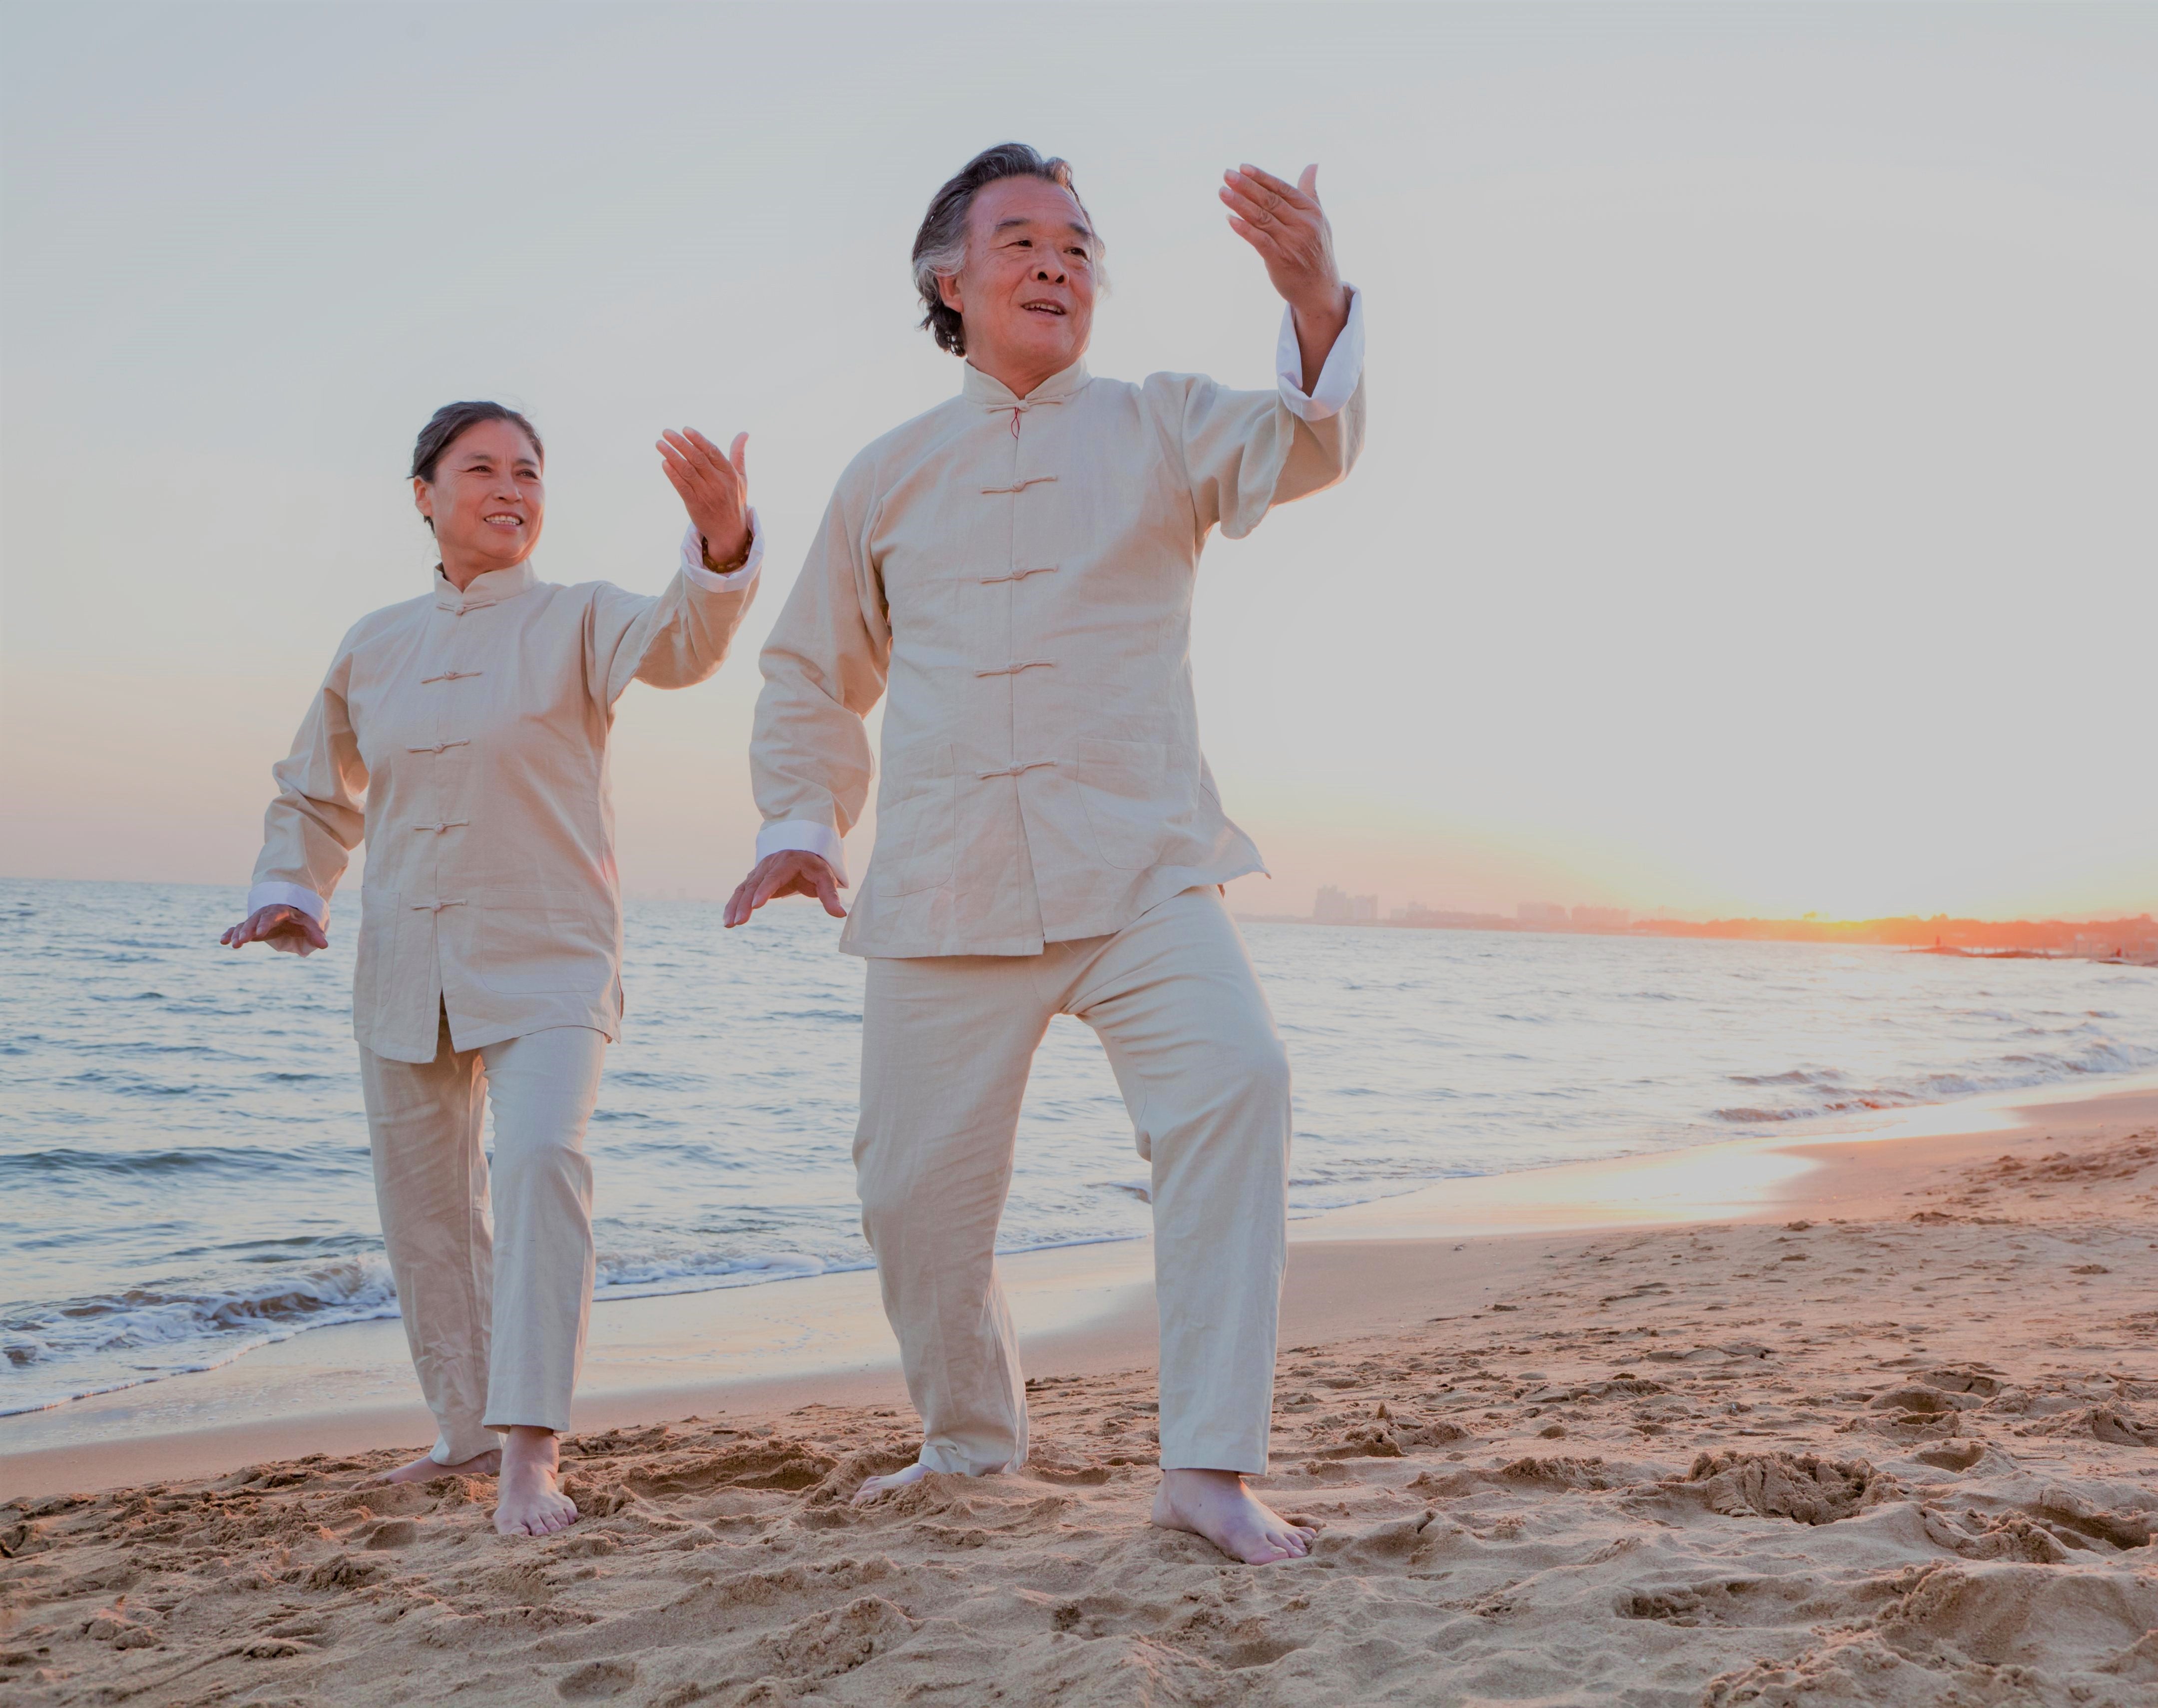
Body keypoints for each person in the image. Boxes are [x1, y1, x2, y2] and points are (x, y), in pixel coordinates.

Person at [723, 143, 1362, 1564]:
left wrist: (1315, 297)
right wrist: (801, 823)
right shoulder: (887, 474)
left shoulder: (1164, 422)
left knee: (1238, 1079)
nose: (1057, 261)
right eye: (1019, 239)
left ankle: (1205, 1465)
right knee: (908, 1197)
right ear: (948, 282)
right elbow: (811, 673)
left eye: (1078, 242)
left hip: (1139, 867)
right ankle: (968, 1438)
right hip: (945, 888)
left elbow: (1305, 439)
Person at [223, 402, 761, 1535]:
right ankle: (463, 1433)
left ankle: (530, 1454)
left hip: (552, 959)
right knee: (425, 1215)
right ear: (424, 494)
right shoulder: (374, 641)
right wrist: (290, 890)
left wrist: (720, 544)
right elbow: (317, 791)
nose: (511, 488)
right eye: (481, 469)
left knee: (539, 1167)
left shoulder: (578, 620)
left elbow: (685, 640)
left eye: (529, 471)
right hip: (405, 963)